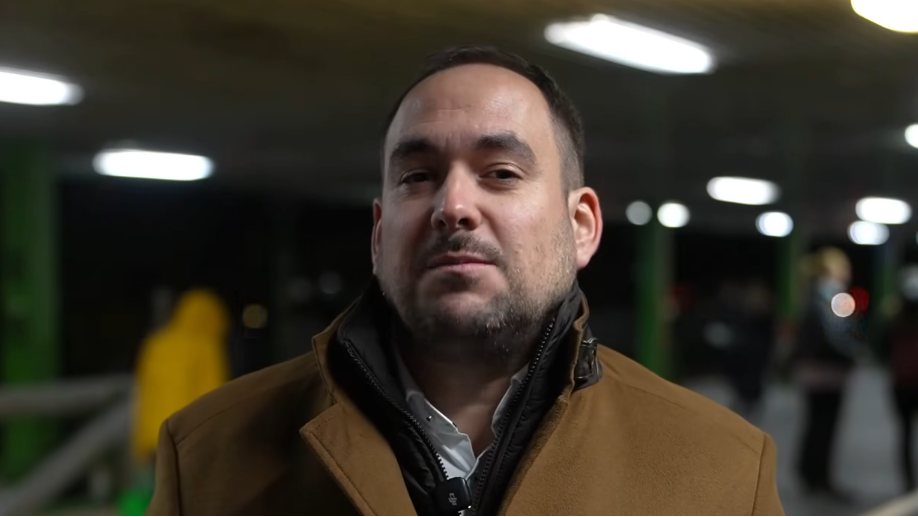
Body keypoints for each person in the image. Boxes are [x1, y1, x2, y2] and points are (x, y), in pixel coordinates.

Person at [147, 46, 783, 515]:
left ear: (581, 226)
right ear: (379, 234)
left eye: (501, 173)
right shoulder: (208, 454)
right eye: (417, 177)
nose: (452, 205)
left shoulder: (722, 470)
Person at [128, 288, 231, 513]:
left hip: (155, 436)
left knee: (159, 495)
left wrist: (139, 442)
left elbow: (143, 394)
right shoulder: (205, 345)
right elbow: (213, 397)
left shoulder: (155, 344)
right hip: (189, 436)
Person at [794, 247, 860, 500]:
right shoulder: (832, 295)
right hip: (829, 370)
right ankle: (820, 477)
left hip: (813, 369)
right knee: (825, 426)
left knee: (814, 424)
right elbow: (836, 335)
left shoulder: (812, 292)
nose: (848, 272)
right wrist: (852, 355)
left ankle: (809, 473)